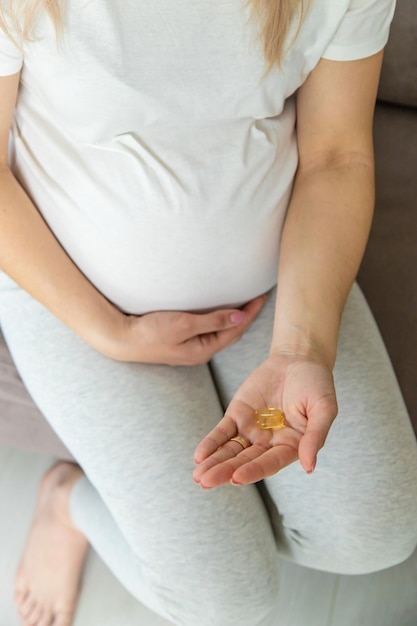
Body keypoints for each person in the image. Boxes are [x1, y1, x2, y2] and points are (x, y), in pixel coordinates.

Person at [1, 1, 417, 625]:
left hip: (273, 294)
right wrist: (110, 332)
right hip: (78, 299)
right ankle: (68, 500)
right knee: (222, 601)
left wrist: (302, 348)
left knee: (376, 537)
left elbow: (336, 158)